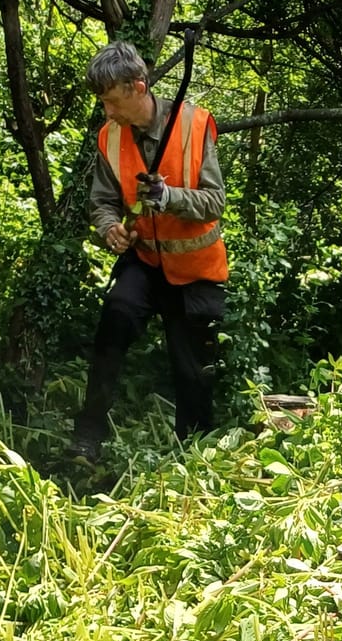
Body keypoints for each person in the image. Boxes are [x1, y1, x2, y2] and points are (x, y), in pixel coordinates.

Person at [72, 40, 228, 456]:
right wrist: (109, 229)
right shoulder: (109, 137)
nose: (107, 111)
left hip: (196, 270)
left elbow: (215, 203)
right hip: (144, 261)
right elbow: (102, 202)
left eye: (111, 101)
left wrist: (170, 197)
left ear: (138, 87)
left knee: (192, 371)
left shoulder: (195, 125)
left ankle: (194, 457)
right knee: (114, 324)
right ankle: (88, 436)